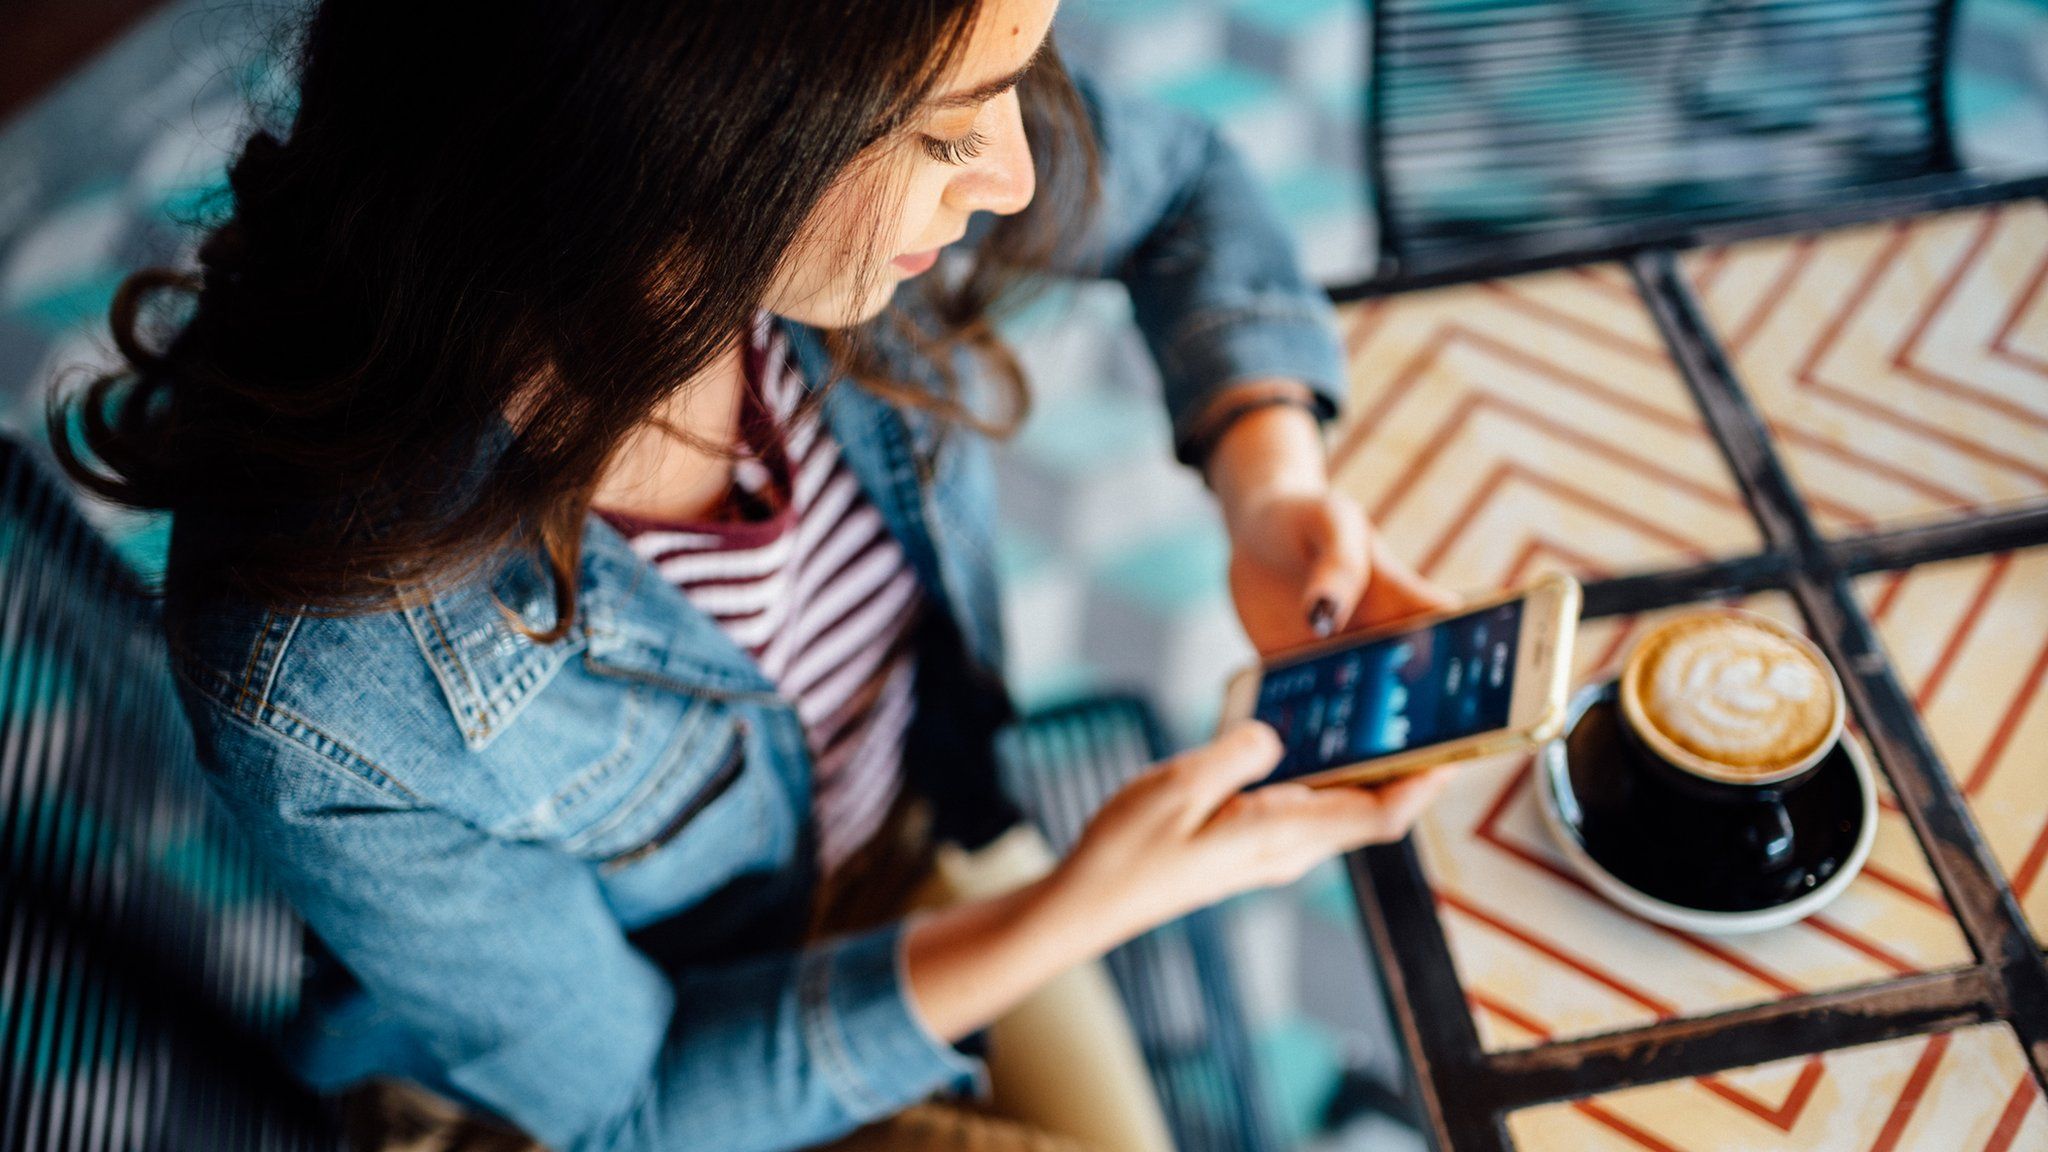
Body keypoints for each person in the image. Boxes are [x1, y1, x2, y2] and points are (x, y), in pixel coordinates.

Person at [48, 0, 1459, 1149]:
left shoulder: (793, 230)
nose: (1014, 174)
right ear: (689, 133)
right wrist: (1078, 906)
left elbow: (1180, 189)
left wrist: (1266, 479)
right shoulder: (335, 671)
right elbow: (630, 1107)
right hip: (648, 1077)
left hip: (909, 855)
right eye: (945, 131)